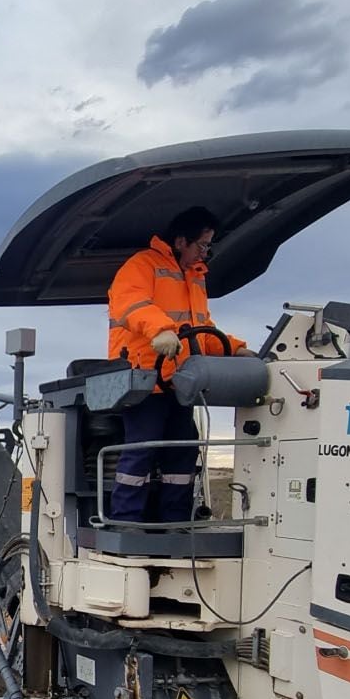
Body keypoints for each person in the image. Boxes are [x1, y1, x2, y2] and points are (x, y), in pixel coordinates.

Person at [106, 206, 254, 524]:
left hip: (179, 382)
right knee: (143, 449)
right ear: (180, 241)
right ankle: (126, 522)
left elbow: (199, 328)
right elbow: (132, 304)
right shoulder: (142, 266)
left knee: (183, 452)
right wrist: (160, 330)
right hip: (144, 380)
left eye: (208, 246)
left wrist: (236, 349)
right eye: (201, 245)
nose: (205, 252)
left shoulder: (195, 278)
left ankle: (174, 523)